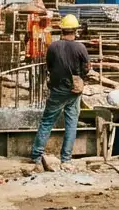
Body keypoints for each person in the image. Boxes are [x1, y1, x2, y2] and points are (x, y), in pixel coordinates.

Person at [31, 14, 90, 166]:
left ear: (62, 30)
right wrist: (80, 77)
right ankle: (66, 159)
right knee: (71, 124)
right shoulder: (80, 47)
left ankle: (36, 156)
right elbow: (86, 68)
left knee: (47, 122)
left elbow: (49, 67)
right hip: (74, 91)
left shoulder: (53, 47)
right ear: (75, 31)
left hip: (57, 91)